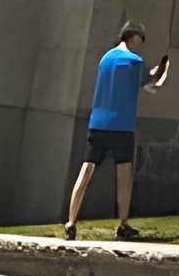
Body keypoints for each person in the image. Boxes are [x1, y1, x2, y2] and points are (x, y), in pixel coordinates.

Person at [64, 22, 167, 240]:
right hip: (122, 125)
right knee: (124, 175)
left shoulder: (105, 59)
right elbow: (152, 82)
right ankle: (123, 224)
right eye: (140, 39)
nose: (141, 45)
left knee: (86, 171)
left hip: (98, 123)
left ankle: (71, 221)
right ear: (133, 37)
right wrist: (164, 69)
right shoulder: (135, 61)